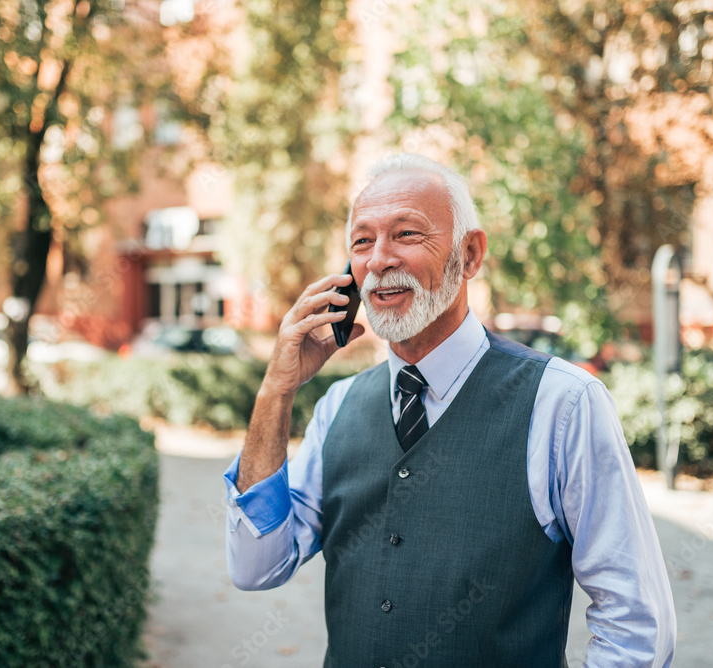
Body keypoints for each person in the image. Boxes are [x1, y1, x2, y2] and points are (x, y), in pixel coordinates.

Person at [223, 153, 676, 667]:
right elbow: (255, 566)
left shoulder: (564, 403)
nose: (379, 260)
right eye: (362, 240)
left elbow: (636, 623)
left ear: (470, 254)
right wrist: (275, 393)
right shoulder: (337, 408)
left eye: (407, 235)